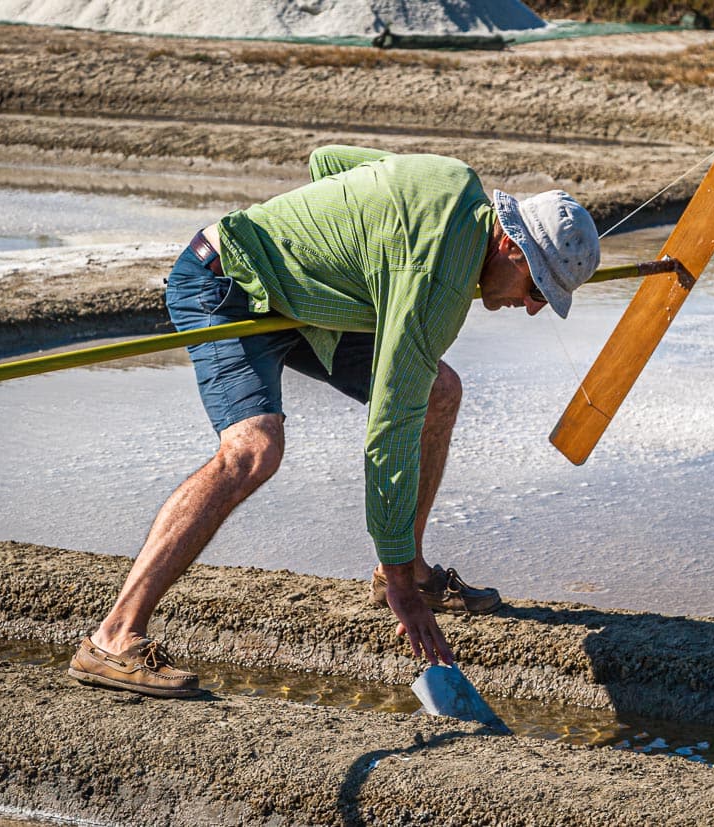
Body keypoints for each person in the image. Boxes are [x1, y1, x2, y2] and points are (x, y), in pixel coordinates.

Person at [67, 145, 600, 698]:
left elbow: (331, 163)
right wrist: (401, 594)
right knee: (253, 451)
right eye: (537, 288)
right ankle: (113, 636)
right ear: (512, 246)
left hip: (303, 301)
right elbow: (391, 428)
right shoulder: (435, 284)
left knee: (441, 391)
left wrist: (337, 255)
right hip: (228, 284)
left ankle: (413, 566)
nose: (534, 307)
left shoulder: (453, 179)